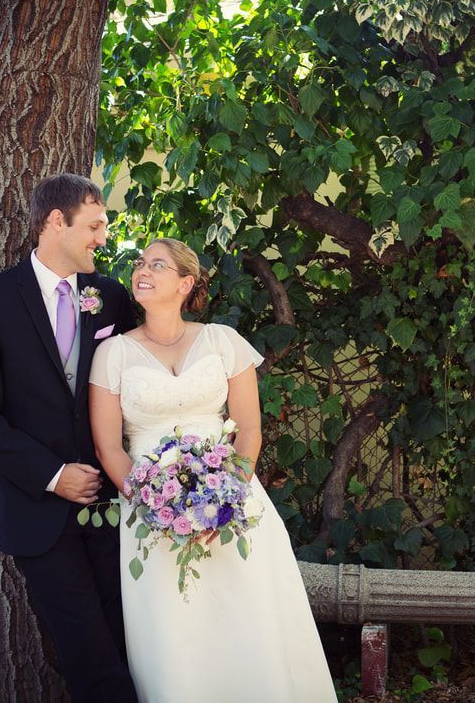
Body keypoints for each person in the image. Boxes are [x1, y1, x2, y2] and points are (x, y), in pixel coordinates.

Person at [89, 238, 338, 703]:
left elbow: (249, 434)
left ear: (185, 283)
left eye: (156, 264)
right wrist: (155, 507)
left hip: (236, 505)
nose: (142, 269)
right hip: (150, 516)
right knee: (175, 631)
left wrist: (223, 501)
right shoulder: (113, 354)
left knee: (248, 620)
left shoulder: (223, 341)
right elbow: (108, 447)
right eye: (140, 262)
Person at [0, 173, 138, 702]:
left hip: (112, 509)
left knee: (131, 641)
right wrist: (54, 476)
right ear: (55, 222)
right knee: (88, 654)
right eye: (95, 226)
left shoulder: (109, 297)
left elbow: (132, 385)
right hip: (38, 511)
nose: (103, 239)